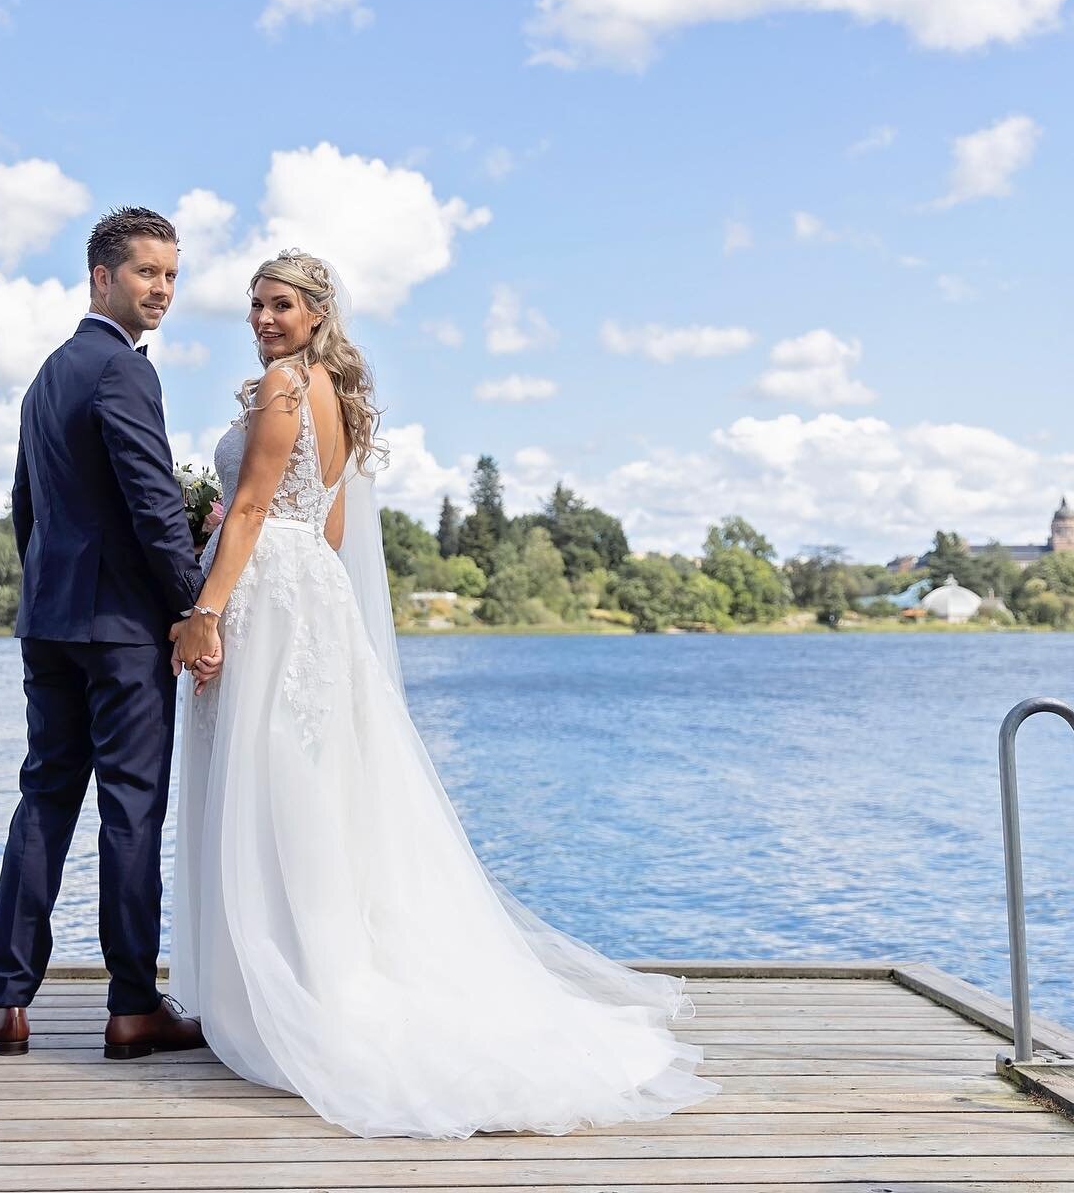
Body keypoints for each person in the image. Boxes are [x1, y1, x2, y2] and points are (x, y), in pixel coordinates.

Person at [170, 248, 717, 1138]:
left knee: (270, 787)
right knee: (304, 786)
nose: (264, 319)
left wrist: (206, 611)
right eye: (256, 306)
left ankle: (286, 995)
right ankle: (305, 972)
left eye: (281, 305)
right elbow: (329, 521)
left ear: (317, 314)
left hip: (269, 594)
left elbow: (253, 512)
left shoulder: (278, 386)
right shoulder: (335, 398)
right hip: (314, 592)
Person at [0, 206, 215, 1060]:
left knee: (44, 795)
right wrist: (192, 605)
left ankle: (7, 1004)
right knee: (130, 811)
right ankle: (133, 1006)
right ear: (101, 276)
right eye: (148, 272)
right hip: (120, 630)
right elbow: (152, 503)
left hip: (50, 622)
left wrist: (47, 590)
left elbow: (25, 506)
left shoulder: (48, 376)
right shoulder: (123, 372)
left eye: (172, 275)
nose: (162, 290)